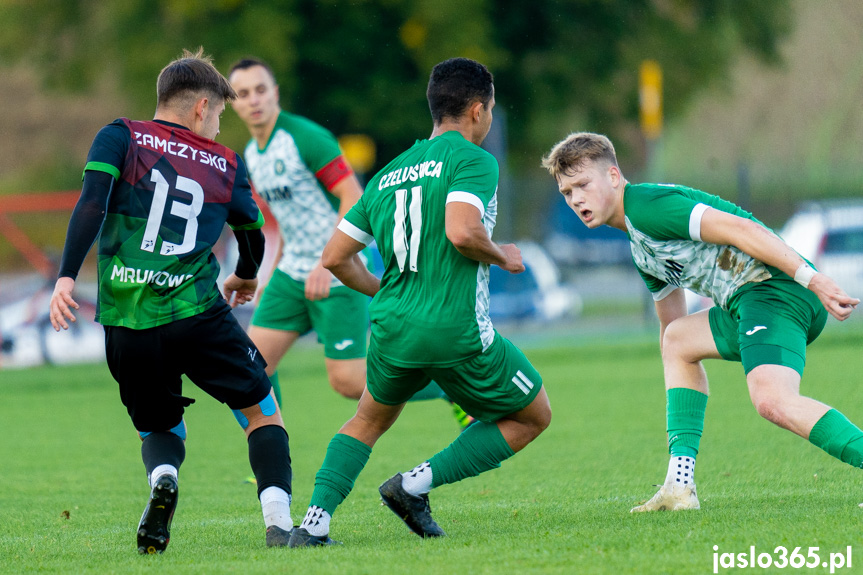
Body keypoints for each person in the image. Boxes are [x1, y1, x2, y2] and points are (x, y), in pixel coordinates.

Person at [288, 57, 552, 547]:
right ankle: (413, 485)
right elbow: (461, 231)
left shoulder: (389, 172)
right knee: (533, 415)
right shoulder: (474, 160)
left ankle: (313, 524)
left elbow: (334, 258)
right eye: (490, 110)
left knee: (367, 419)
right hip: (455, 329)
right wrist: (504, 256)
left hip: (392, 328)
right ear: (477, 110)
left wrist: (383, 290)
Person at [49, 48, 294, 553]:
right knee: (263, 410)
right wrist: (246, 276)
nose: (221, 127)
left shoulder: (119, 135)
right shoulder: (225, 162)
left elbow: (92, 203)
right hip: (198, 314)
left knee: (159, 424)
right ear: (201, 107)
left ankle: (164, 477)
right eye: (221, 114)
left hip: (126, 321)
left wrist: (66, 278)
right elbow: (252, 235)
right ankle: (278, 526)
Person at [542, 132, 861, 512]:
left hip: (776, 290)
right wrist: (678, 405)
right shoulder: (641, 248)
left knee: (772, 400)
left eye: (582, 184)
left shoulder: (648, 207)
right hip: (748, 305)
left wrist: (814, 279)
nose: (575, 198)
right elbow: (673, 335)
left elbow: (743, 230)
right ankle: (680, 484)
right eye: (566, 192)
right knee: (677, 340)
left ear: (613, 176)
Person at [226, 58, 471, 426]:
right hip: (294, 273)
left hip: (338, 272)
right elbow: (292, 222)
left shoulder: (304, 138)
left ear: (275, 93)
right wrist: (271, 273)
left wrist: (329, 259)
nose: (254, 99)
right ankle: (272, 457)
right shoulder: (253, 155)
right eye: (243, 94)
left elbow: (353, 196)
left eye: (261, 90)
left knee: (349, 381)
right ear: (233, 103)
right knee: (249, 366)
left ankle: (447, 385)